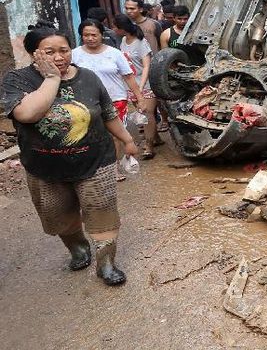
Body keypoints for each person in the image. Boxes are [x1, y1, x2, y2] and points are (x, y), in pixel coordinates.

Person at [2, 24, 138, 285]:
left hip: (95, 161)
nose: (59, 57)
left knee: (102, 210)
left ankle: (106, 263)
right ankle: (78, 248)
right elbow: (27, 114)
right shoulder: (17, 80)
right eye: (49, 52)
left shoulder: (88, 77)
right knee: (59, 216)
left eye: (64, 50)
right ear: (33, 54)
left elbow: (108, 113)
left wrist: (128, 140)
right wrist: (52, 78)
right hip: (45, 168)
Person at [71, 20, 144, 160]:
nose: (90, 38)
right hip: (85, 101)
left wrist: (139, 98)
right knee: (89, 134)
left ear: (101, 35)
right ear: (81, 36)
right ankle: (96, 165)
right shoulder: (74, 55)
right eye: (86, 35)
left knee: (114, 135)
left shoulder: (115, 54)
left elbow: (128, 77)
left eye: (94, 35)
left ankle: (114, 167)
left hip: (115, 99)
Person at [113, 14, 157, 159]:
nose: (113, 29)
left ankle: (149, 145)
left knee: (147, 114)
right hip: (130, 85)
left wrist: (142, 86)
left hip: (145, 84)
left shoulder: (141, 42)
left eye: (115, 27)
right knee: (142, 115)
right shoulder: (124, 41)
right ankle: (155, 137)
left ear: (121, 29)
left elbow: (146, 66)